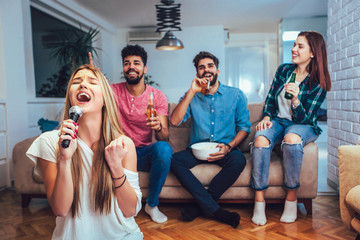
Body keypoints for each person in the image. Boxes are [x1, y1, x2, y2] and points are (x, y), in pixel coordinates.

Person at [26, 65, 143, 239]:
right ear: (70, 98)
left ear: (105, 100)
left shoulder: (123, 145)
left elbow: (130, 210)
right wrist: (65, 159)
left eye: (92, 82)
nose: (83, 85)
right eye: (77, 82)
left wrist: (116, 166)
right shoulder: (50, 142)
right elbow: (60, 209)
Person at [251, 31, 331, 226]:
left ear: (313, 52)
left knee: (292, 139)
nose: (294, 49)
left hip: (304, 124)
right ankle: (259, 202)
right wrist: (267, 116)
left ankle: (291, 199)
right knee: (260, 139)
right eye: (294, 45)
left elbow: (304, 118)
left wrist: (296, 99)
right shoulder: (284, 70)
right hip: (279, 121)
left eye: (300, 46)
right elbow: (270, 99)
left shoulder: (318, 82)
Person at [170, 51, 251, 228]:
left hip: (225, 148)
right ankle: (217, 211)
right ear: (197, 73)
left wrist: (229, 146)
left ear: (217, 71)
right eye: (201, 67)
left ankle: (198, 208)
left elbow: (244, 127)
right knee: (174, 160)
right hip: (197, 150)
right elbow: (174, 121)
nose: (206, 70)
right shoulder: (191, 95)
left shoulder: (236, 95)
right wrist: (191, 92)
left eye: (210, 66)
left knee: (238, 160)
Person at [110, 45, 172, 223]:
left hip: (143, 154)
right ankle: (110, 206)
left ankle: (151, 205)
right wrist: (93, 76)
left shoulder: (157, 96)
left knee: (164, 148)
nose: (131, 67)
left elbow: (164, 136)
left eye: (136, 63)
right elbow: (95, 95)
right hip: (119, 152)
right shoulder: (113, 91)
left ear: (145, 68)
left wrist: (158, 127)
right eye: (127, 63)